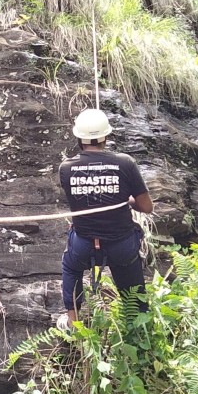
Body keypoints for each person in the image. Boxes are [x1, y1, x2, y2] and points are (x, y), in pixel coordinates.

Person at [57, 109, 153, 329]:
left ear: (79, 138)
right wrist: (127, 200)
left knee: (71, 267)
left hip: (84, 245)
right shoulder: (125, 163)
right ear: (105, 137)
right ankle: (138, 329)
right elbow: (146, 207)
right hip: (121, 245)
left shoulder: (66, 168)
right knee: (132, 288)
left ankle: (73, 323)